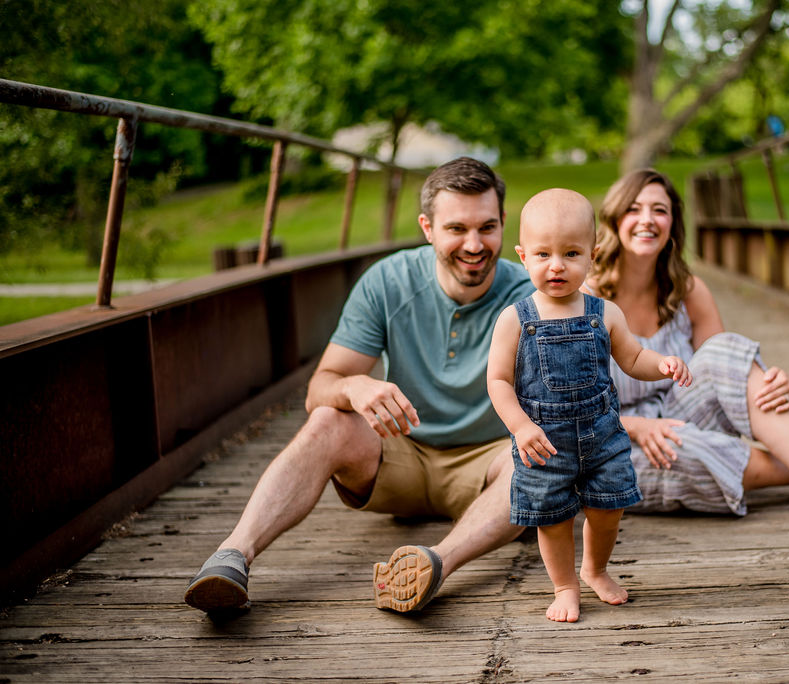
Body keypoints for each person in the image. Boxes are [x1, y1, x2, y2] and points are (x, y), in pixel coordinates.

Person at [184, 157, 536, 616]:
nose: (474, 244)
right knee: (329, 418)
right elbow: (320, 388)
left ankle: (431, 567)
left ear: (504, 222)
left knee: (533, 466)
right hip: (400, 454)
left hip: (487, 462)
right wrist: (355, 388)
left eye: (487, 227)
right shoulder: (387, 281)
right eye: (456, 229)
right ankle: (231, 556)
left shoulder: (532, 294)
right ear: (427, 227)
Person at [587, 169, 789, 530]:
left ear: (673, 222)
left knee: (726, 348)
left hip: (679, 413)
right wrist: (635, 426)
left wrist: (772, 381)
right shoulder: (587, 299)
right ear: (614, 218)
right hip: (610, 443)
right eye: (634, 209)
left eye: (660, 210)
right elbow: (564, 408)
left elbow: (723, 375)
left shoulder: (687, 290)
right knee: (684, 445)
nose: (647, 220)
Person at [487, 189, 691, 623]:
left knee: (608, 506)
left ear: (593, 256)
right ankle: (564, 585)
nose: (556, 265)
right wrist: (521, 426)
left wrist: (664, 364)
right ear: (523, 256)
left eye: (571, 253)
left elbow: (634, 359)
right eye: (543, 254)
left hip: (603, 436)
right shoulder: (515, 319)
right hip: (544, 441)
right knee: (553, 517)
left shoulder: (605, 313)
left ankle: (595, 569)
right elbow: (499, 381)